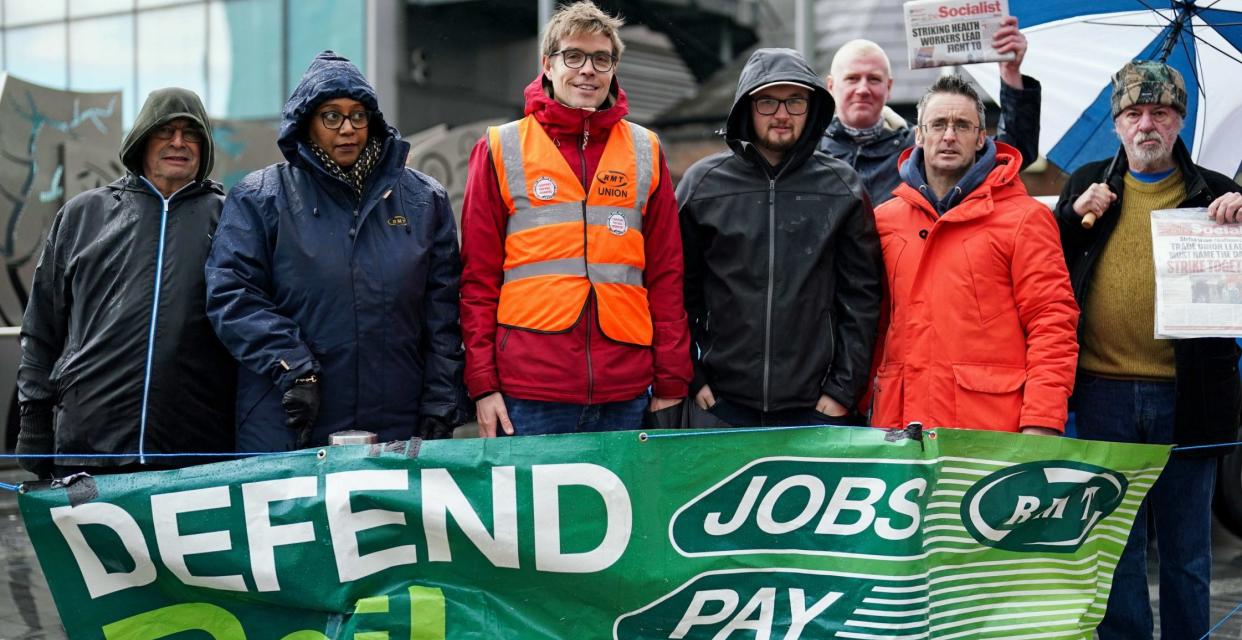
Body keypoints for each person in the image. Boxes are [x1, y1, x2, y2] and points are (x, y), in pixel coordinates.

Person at [16, 88, 235, 640]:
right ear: (140, 140)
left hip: (194, 442)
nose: (178, 143)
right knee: (100, 593)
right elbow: (41, 331)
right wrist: (34, 429)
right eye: (165, 132)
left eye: (191, 134)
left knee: (192, 591)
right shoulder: (82, 216)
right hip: (94, 442)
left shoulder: (230, 219)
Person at [1057, 60, 1242, 640]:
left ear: (1180, 122)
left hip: (1188, 400)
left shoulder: (1217, 193)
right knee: (1117, 554)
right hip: (1103, 395)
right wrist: (1077, 223)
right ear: (1116, 122)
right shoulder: (1084, 190)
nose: (1147, 124)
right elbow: (1046, 270)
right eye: (1135, 113)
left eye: (1161, 113)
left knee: (1189, 557)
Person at [206, 51, 464, 449]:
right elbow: (232, 295)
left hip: (396, 419)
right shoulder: (259, 198)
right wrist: (292, 365)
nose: (347, 129)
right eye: (331, 116)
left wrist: (441, 399)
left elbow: (442, 314)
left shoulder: (424, 200)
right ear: (306, 123)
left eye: (358, 115)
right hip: (290, 417)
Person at [459, 0, 690, 436]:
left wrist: (672, 378)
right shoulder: (499, 147)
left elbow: (666, 275)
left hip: (626, 388)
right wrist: (483, 385)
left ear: (614, 68)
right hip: (529, 391)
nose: (588, 69)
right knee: (529, 508)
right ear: (547, 65)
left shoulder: (646, 149)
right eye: (574, 56)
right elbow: (477, 280)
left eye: (601, 59)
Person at [677, 48, 882, 428]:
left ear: (813, 107)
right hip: (721, 404)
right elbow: (675, 292)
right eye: (768, 101)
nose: (782, 114)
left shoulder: (842, 186)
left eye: (795, 101)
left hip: (816, 408)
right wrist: (693, 375)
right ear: (746, 107)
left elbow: (862, 298)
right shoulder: (702, 184)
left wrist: (842, 390)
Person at [870, 75, 1078, 433]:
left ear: (982, 138)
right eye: (938, 124)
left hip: (987, 431)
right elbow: (867, 328)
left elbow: (1052, 324)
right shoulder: (884, 220)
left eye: (962, 125)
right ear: (918, 135)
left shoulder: (1025, 218)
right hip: (898, 428)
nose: (949, 135)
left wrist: (1042, 420)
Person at [821, 16, 1041, 204]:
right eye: (852, 78)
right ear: (830, 86)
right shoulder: (808, 151)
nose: (862, 89)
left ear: (888, 87)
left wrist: (1011, 73)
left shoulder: (917, 151)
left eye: (874, 79)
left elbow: (1012, 153)